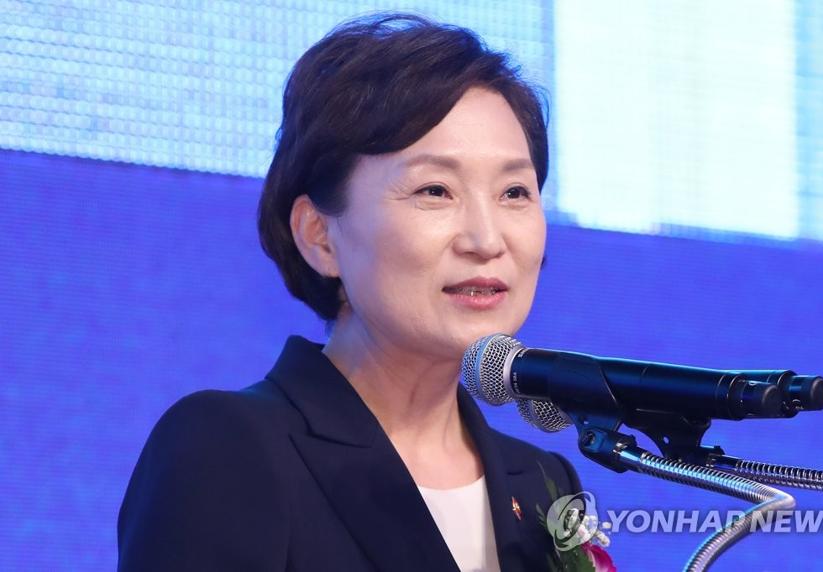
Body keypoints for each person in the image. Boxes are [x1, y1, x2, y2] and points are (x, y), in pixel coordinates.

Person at [117, 13, 582, 572]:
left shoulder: (543, 482)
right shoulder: (229, 448)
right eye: (435, 190)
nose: (487, 240)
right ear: (320, 236)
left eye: (514, 192)